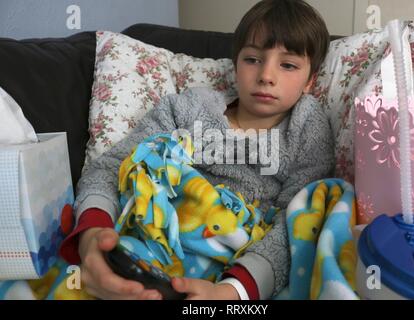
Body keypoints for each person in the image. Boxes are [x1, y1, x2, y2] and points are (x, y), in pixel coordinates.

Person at [59, 0, 334, 300]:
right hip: (145, 240)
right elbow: (115, 165)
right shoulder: (192, 107)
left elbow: (297, 221)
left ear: (310, 81)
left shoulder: (306, 127)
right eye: (253, 59)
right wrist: (92, 236)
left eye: (288, 65)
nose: (266, 75)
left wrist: (233, 292)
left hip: (230, 264)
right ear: (235, 65)